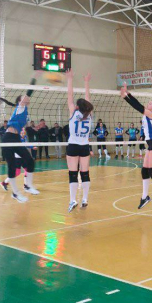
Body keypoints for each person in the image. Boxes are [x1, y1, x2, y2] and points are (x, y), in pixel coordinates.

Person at [121, 82, 152, 211]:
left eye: (150, 103)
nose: (148, 104)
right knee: (144, 171)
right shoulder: (149, 114)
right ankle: (145, 197)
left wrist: (125, 97)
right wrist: (128, 93)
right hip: (151, 143)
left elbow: (137, 106)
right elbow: (138, 104)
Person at [0, 86, 39, 203]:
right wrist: (33, 82)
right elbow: (27, 96)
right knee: (12, 167)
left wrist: (34, 128)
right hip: (8, 138)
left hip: (16, 138)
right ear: (20, 101)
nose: (27, 99)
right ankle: (15, 193)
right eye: (23, 98)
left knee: (30, 161)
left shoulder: (25, 112)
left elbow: (25, 126)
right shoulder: (20, 107)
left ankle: (28, 186)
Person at [65, 71, 94, 212]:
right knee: (85, 173)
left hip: (73, 146)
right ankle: (85, 199)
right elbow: (88, 98)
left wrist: (70, 79)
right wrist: (86, 82)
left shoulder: (73, 112)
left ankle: (72, 200)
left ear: (77, 107)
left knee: (73, 173)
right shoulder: (89, 115)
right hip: (84, 146)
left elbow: (70, 95)